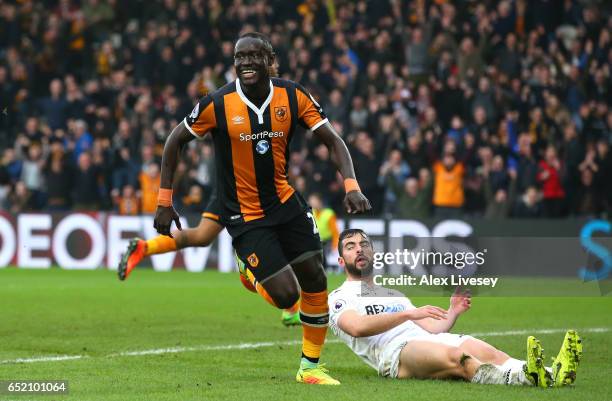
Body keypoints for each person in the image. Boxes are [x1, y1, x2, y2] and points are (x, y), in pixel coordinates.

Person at [152, 32, 371, 385]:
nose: (246, 63)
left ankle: (310, 368)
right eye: (240, 57)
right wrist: (164, 201)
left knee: (315, 276)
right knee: (286, 294)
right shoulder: (217, 103)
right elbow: (174, 141)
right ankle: (247, 268)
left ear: (270, 60)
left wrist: (352, 185)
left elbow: (333, 140)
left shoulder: (293, 95)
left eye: (254, 56)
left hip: (286, 203)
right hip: (244, 214)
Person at [328, 228, 582, 387]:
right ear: (341, 260)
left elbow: (433, 328)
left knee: (484, 349)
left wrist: (452, 313)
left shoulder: (392, 292)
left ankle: (553, 372)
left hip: (423, 339)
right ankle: (526, 378)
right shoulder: (339, 296)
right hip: (396, 353)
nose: (359, 249)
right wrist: (406, 313)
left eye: (364, 245)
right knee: (459, 359)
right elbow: (357, 328)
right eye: (351, 247)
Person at [117, 193, 301, 327]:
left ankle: (145, 247)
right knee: (275, 275)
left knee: (201, 235)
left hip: (228, 187)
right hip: (251, 191)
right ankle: (291, 308)